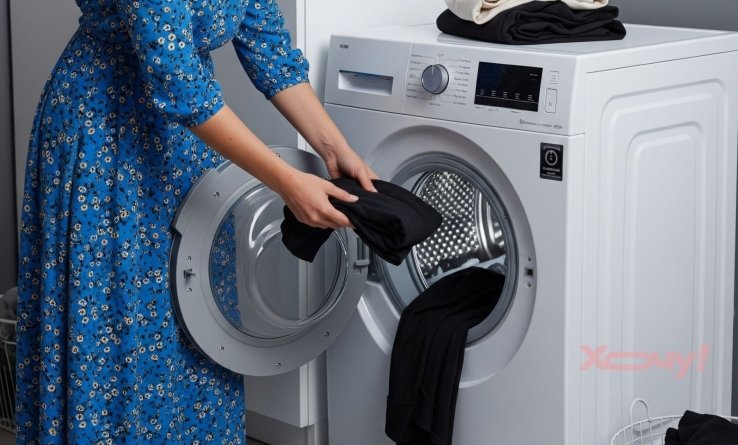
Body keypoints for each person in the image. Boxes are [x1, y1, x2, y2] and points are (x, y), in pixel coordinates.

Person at [15, 0, 377, 443]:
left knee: (196, 324)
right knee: (119, 334)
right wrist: (287, 182)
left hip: (186, 145)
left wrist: (336, 150)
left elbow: (267, 45)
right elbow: (177, 78)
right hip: (107, 141)